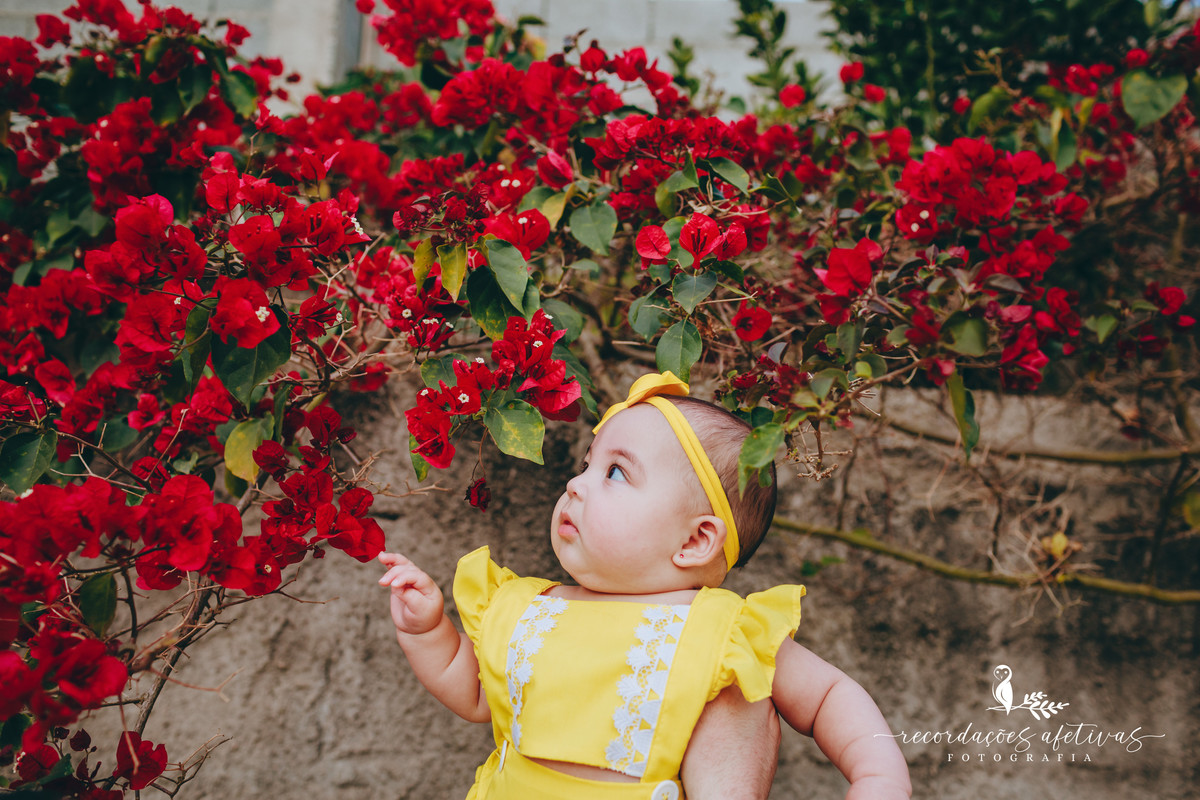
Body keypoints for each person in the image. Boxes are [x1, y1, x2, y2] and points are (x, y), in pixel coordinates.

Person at [378, 372, 912, 800]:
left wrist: (878, 777)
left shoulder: (720, 629)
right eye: (587, 465)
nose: (575, 484)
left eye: (614, 474)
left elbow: (827, 697)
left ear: (695, 541)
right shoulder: (529, 606)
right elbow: (473, 692)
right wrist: (427, 630)